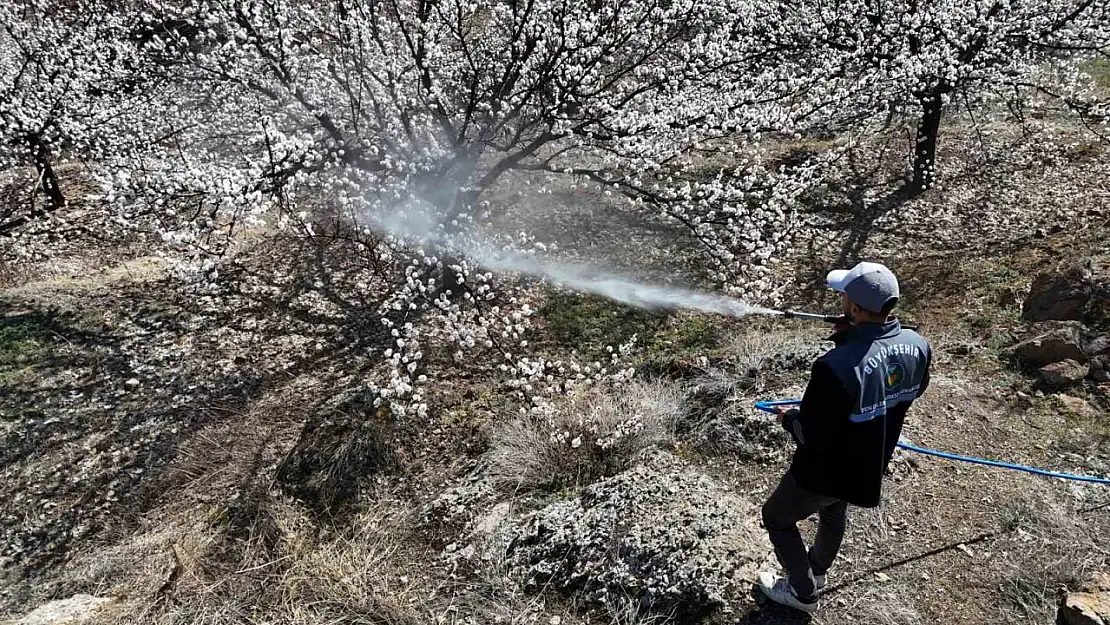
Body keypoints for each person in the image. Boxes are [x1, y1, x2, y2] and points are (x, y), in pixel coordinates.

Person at [757, 261, 933, 613]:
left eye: (844, 297)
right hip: (868, 461)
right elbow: (912, 388)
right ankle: (818, 570)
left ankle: (803, 592)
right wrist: (853, 338)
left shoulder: (834, 366)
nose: (840, 301)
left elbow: (811, 434)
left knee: (776, 517)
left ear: (854, 307)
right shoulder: (918, 344)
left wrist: (789, 418)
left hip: (823, 470)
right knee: (834, 510)